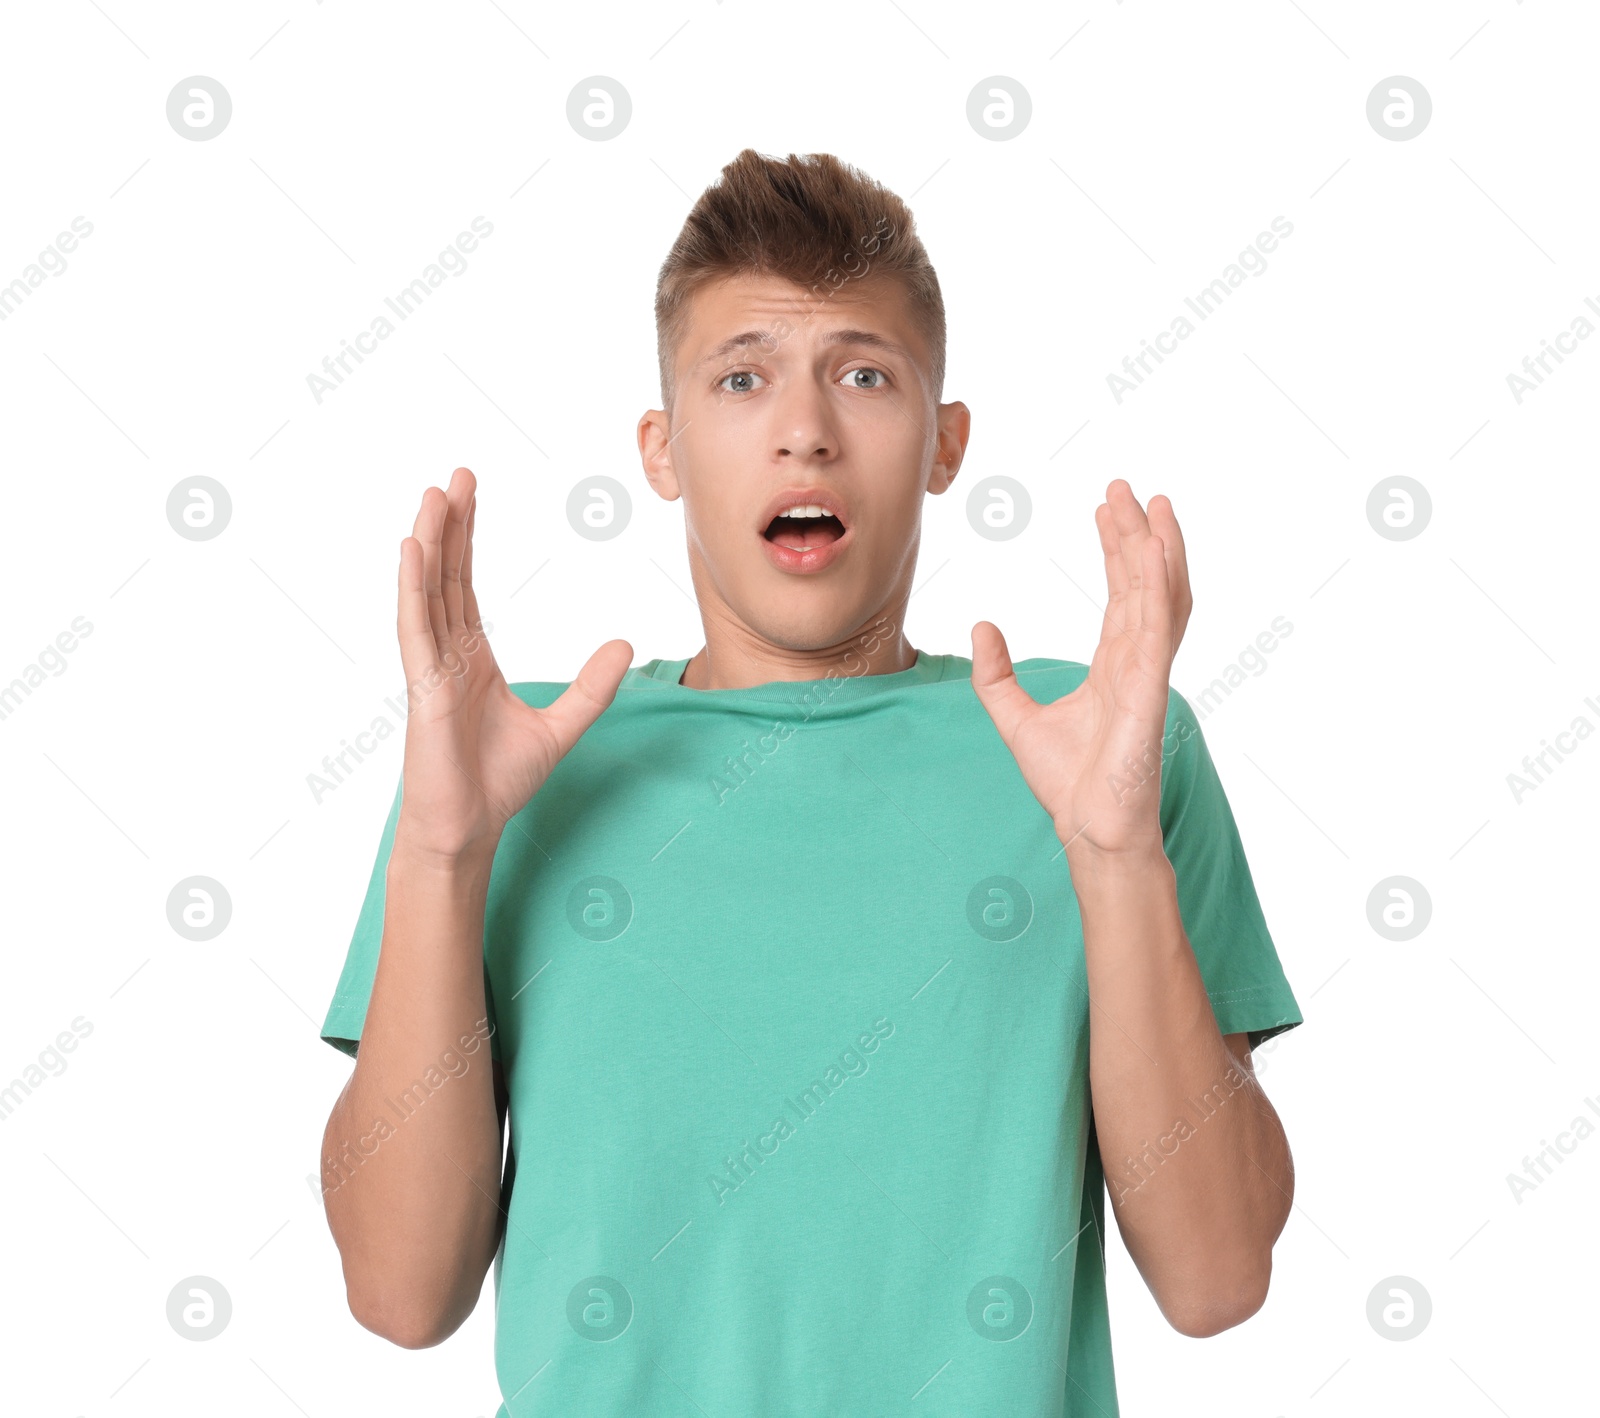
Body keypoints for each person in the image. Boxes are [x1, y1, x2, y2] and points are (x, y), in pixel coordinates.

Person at [317, 147, 1303, 1417]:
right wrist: (443, 854)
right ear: (661, 448)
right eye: (742, 377)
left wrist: (1114, 854)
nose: (805, 428)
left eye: (863, 373)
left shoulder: (1098, 742)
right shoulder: (507, 770)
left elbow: (1217, 1277)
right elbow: (401, 1295)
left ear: (945, 443)